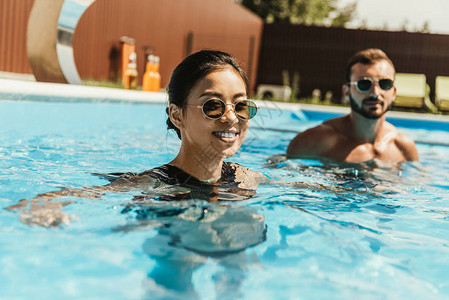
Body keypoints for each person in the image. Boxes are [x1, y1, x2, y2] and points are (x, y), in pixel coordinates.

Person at [7, 50, 265, 227]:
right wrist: (41, 205)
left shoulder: (243, 176)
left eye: (241, 106)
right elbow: (83, 194)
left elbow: (296, 185)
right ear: (177, 115)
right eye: (213, 105)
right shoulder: (156, 183)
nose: (231, 118)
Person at [286, 48, 419, 164]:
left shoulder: (404, 148)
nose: (375, 93)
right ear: (346, 91)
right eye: (364, 84)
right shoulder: (315, 141)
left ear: (394, 92)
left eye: (385, 84)